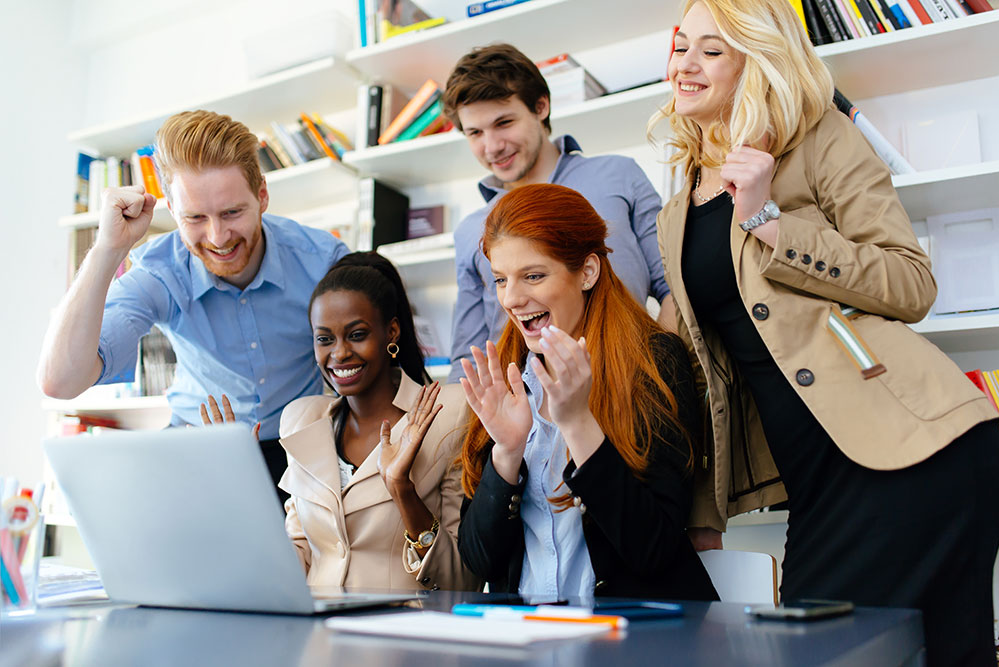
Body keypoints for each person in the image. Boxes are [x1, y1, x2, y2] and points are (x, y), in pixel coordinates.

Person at [651, 1, 999, 664]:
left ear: (754, 61)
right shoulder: (677, 208)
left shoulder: (818, 140)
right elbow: (708, 371)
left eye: (711, 50)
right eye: (679, 46)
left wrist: (769, 223)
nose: (686, 65)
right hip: (819, 485)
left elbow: (910, 282)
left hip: (916, 453)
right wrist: (704, 512)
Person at [36, 110, 349, 503]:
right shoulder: (160, 270)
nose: (218, 237)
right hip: (198, 450)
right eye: (195, 217)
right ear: (172, 208)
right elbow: (59, 382)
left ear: (262, 196)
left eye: (232, 212)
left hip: (302, 452)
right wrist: (107, 249)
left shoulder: (323, 259)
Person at [455, 183, 718, 602]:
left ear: (588, 272)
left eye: (534, 276)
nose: (513, 298)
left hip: (632, 639)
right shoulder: (505, 376)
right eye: (501, 279)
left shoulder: (654, 361)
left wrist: (578, 423)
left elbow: (653, 548)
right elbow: (479, 562)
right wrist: (506, 453)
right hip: (528, 637)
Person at [442, 43, 674, 383]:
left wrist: (660, 376)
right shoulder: (469, 231)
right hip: (528, 414)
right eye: (475, 133)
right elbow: (470, 357)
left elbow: (673, 287)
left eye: (504, 123)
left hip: (629, 384)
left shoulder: (619, 176)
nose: (492, 147)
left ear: (541, 107)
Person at [270, 252, 482, 591]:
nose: (338, 353)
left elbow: (462, 580)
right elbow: (298, 554)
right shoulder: (300, 419)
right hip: (317, 631)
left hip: (402, 632)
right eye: (324, 338)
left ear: (391, 332)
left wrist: (402, 488)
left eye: (356, 334)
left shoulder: (450, 412)